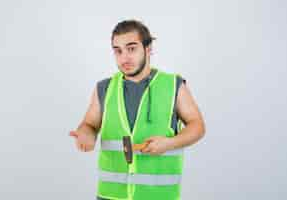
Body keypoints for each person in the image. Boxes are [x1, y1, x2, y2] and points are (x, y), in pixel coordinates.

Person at [70, 19, 206, 200]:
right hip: (110, 196)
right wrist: (86, 133)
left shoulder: (172, 85)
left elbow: (197, 126)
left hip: (158, 196)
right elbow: (89, 124)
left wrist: (169, 143)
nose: (124, 58)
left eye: (131, 48)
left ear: (148, 49)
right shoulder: (104, 88)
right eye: (118, 51)